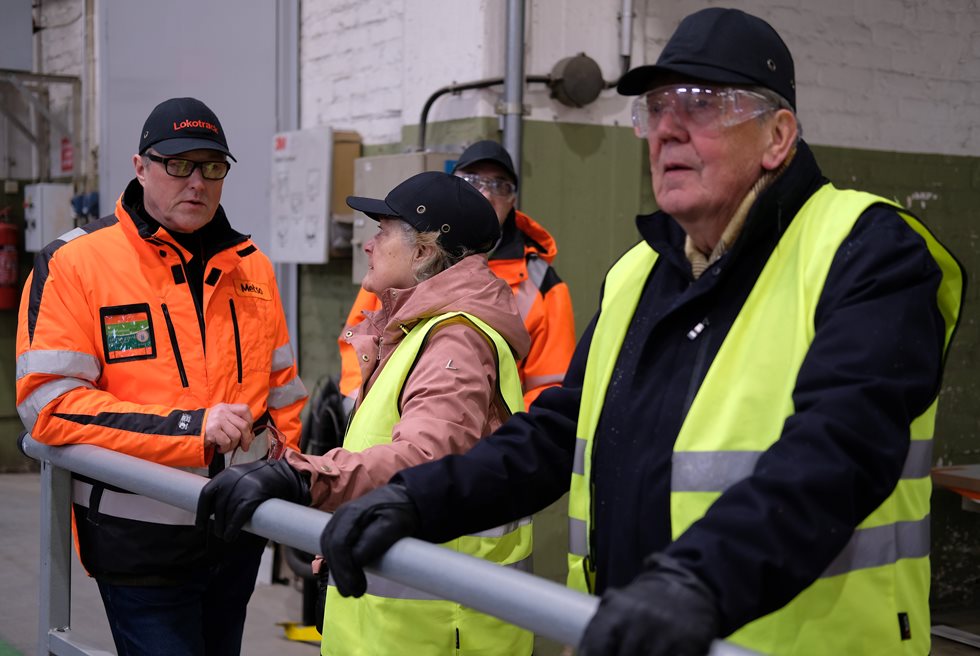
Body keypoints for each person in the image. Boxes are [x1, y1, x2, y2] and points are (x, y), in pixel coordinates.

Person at [315, 8, 965, 656]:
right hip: (636, 637)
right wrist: (414, 501)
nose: (668, 131)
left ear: (778, 136)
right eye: (656, 109)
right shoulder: (640, 274)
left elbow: (839, 450)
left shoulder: (866, 253)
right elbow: (553, 438)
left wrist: (695, 584)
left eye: (703, 105)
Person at [197, 171, 535, 655]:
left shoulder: (456, 339)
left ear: (422, 252)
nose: (368, 246)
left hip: (433, 629)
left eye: (382, 232)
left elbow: (423, 459)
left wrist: (305, 478)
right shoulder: (416, 330)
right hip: (395, 618)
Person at [15, 97, 307, 655]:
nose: (196, 182)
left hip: (238, 534)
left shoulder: (252, 267)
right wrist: (187, 428)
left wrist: (284, 485)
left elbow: (283, 393)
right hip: (138, 542)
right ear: (140, 166)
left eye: (211, 167)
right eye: (178, 165)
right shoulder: (76, 264)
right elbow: (49, 407)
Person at [338, 140, 576, 413]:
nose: (486, 193)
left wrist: (510, 440)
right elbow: (358, 335)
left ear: (513, 200)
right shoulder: (398, 266)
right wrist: (364, 402)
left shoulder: (543, 283)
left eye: (500, 185)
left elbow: (551, 384)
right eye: (472, 180)